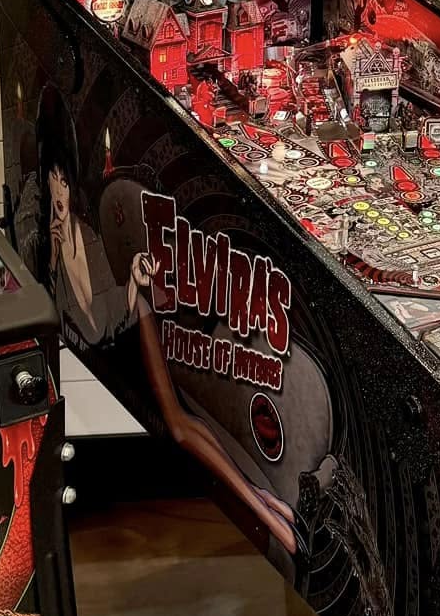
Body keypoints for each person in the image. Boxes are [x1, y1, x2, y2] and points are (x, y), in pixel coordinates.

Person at [34, 87, 298, 554]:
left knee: (180, 425)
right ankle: (266, 504)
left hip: (134, 328)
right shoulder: (55, 245)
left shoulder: (89, 239)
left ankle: (268, 514)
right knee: (183, 424)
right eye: (51, 178)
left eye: (62, 179)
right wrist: (55, 256)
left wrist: (134, 284)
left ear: (70, 181)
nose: (58, 191)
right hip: (119, 339)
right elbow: (83, 323)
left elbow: (104, 318)